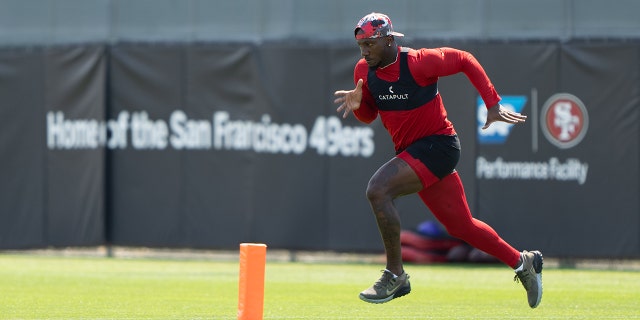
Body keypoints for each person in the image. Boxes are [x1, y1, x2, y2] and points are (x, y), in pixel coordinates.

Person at [333, 12, 543, 308]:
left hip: (439, 146)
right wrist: (358, 107)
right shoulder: (364, 70)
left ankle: (395, 275)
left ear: (389, 41)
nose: (364, 52)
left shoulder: (419, 62)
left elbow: (465, 60)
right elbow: (368, 115)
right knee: (462, 226)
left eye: (369, 44)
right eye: (360, 46)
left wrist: (492, 103)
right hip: (415, 154)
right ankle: (524, 263)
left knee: (378, 190)